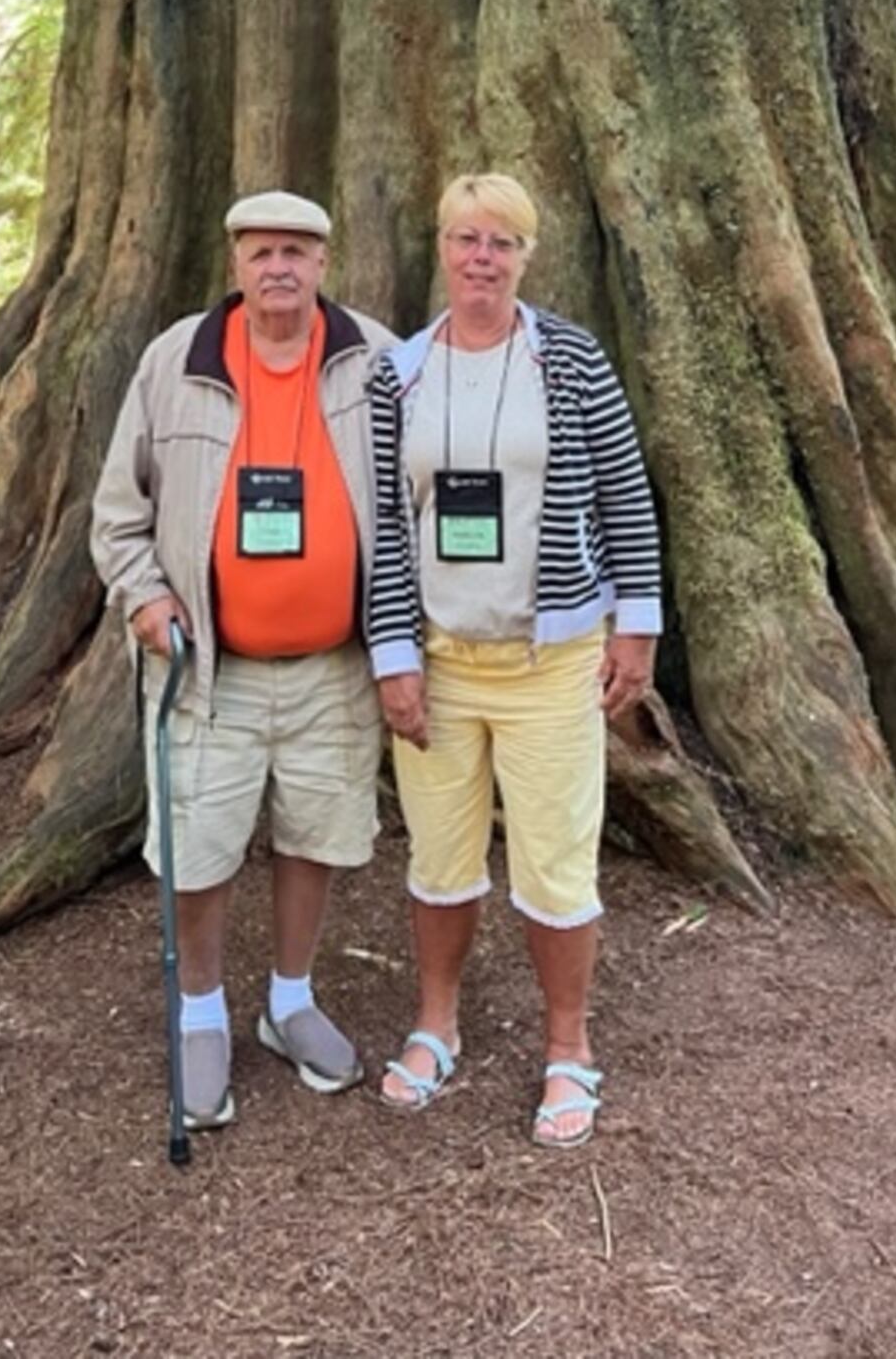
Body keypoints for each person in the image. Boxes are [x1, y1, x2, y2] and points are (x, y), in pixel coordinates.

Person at [366, 173, 662, 1148]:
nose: (481, 256)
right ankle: (435, 1022)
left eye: (501, 241)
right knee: (440, 858)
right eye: (464, 238)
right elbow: (382, 525)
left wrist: (636, 626)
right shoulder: (399, 372)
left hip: (550, 661)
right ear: (441, 249)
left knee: (554, 866)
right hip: (441, 664)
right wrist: (394, 653)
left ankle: (567, 1047)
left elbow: (624, 492)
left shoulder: (569, 361)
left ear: (526, 256)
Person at [91, 191, 396, 1131]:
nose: (280, 268)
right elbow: (117, 512)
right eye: (263, 252)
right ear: (235, 264)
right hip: (208, 670)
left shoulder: (375, 358)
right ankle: (200, 1012)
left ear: (323, 263)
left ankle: (290, 1000)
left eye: (298, 252)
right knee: (205, 843)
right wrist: (145, 597)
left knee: (316, 834)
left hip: (333, 668)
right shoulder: (176, 362)